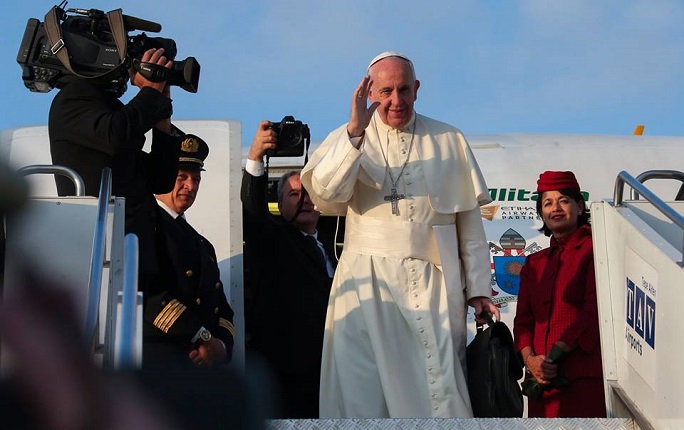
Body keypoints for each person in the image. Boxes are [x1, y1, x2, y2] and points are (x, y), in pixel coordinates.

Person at [300, 51, 499, 418]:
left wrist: (480, 290)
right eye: (386, 91)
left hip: (435, 282)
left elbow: (469, 227)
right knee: (364, 388)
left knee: (438, 385)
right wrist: (355, 134)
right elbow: (325, 196)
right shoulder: (348, 135)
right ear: (369, 92)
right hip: (366, 278)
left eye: (404, 89)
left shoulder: (448, 138)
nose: (396, 100)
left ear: (417, 89)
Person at [49, 47, 182, 288]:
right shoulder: (72, 98)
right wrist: (151, 91)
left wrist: (162, 105)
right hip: (103, 260)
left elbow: (160, 178)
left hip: (136, 261)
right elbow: (116, 134)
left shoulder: (113, 113)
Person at [241, 121, 335, 418]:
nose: (304, 200)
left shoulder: (336, 244)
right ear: (280, 206)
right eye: (294, 195)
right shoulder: (274, 239)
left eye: (308, 193)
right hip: (285, 379)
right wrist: (256, 158)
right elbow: (253, 213)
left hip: (331, 372)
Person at [513, 171, 605, 418]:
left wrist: (555, 354)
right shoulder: (535, 263)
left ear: (579, 205)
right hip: (541, 383)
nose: (555, 208)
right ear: (541, 213)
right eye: (547, 203)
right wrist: (531, 360)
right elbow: (522, 321)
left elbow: (593, 310)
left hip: (582, 376)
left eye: (563, 200)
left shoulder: (595, 248)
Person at [144, 134, 235, 368]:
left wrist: (221, 347)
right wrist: (201, 337)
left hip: (202, 368)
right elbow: (147, 293)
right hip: (163, 361)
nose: (190, 186)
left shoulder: (203, 244)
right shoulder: (146, 225)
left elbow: (222, 310)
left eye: (196, 179)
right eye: (181, 177)